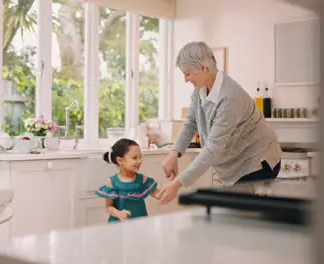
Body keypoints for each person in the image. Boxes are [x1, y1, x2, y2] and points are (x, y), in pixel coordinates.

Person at [154, 41, 282, 204]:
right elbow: (191, 122)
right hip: (235, 165)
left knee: (242, 220)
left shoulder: (229, 97)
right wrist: (174, 153)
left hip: (257, 161)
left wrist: (177, 184)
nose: (186, 79)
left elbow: (212, 149)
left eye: (187, 74)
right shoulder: (200, 90)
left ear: (201, 68)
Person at [95, 138, 161, 222]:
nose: (140, 161)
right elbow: (109, 207)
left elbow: (159, 195)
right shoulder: (112, 182)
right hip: (118, 225)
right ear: (120, 160)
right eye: (134, 158)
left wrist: (174, 184)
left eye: (140, 157)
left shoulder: (142, 179)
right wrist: (118, 213)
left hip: (139, 224)